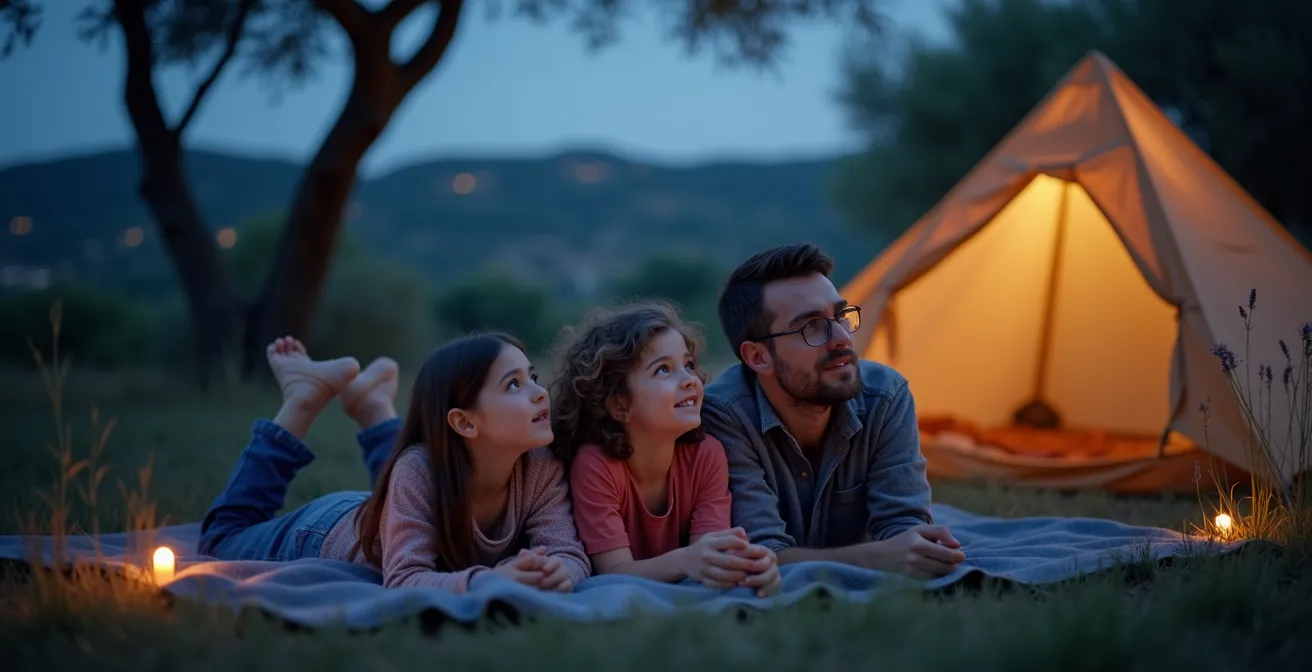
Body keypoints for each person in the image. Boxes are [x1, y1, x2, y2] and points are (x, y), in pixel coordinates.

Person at [197, 334, 591, 594]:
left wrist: (559, 573)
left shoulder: (542, 466)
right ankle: (302, 397)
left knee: (418, 468)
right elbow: (404, 579)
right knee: (220, 539)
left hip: (382, 508)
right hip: (322, 529)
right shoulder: (417, 472)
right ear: (465, 421)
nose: (540, 393)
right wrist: (488, 581)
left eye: (533, 376)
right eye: (514, 385)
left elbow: (568, 552)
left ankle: (373, 405)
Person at [702, 243, 966, 580]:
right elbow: (759, 554)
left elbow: (904, 527)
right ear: (757, 357)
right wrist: (879, 557)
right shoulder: (724, 416)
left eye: (840, 316)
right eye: (811, 326)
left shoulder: (885, 395)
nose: (841, 338)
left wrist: (918, 548)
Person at [550, 302, 781, 596]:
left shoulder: (706, 455)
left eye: (688, 366)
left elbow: (709, 556)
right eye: (663, 370)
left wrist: (749, 564)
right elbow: (613, 573)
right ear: (619, 404)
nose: (689, 381)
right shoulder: (596, 464)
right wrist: (687, 561)